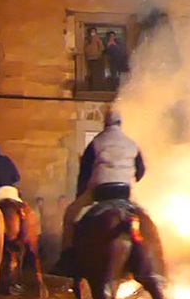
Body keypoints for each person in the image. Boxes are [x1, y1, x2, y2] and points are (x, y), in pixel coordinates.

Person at [49, 109, 145, 278]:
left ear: (105, 123)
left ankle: (67, 258)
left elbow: (84, 173)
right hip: (125, 192)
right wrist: (129, 177)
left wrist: (80, 194)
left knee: (70, 214)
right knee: (143, 217)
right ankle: (145, 259)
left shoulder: (97, 142)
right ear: (121, 123)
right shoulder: (132, 143)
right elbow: (141, 171)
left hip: (100, 192)